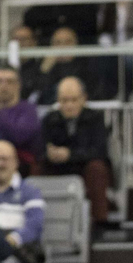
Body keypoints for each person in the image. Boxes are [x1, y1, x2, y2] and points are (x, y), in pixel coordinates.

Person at [40, 76, 112, 225]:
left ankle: (100, 221)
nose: (69, 105)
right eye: (64, 101)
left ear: (83, 99)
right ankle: (40, 217)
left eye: (74, 100)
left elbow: (100, 151)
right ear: (58, 100)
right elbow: (39, 147)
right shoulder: (49, 120)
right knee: (37, 167)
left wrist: (70, 155)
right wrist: (50, 154)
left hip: (84, 167)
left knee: (97, 168)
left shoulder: (95, 119)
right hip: (58, 168)